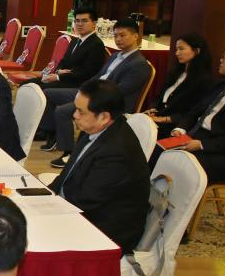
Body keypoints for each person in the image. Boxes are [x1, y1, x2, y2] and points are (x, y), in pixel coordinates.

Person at [48, 79, 152, 253]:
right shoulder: (93, 128)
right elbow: (67, 175)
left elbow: (86, 202)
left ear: (104, 117)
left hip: (106, 231)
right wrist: (45, 196)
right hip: (82, 210)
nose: (75, 115)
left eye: (81, 111)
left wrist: (48, 210)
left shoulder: (117, 153)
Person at [43, 17, 151, 167]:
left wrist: (90, 96)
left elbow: (120, 91)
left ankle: (70, 153)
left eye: (122, 35)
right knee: (48, 93)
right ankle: (52, 133)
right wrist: (84, 89)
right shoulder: (115, 55)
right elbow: (99, 76)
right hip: (93, 93)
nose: (118, 39)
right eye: (116, 36)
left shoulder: (139, 64)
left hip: (108, 104)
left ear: (135, 36)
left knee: (63, 111)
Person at [168, 39, 225, 183]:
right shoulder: (221, 84)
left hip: (223, 151)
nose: (220, 60)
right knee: (158, 150)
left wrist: (202, 144)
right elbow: (195, 111)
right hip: (195, 135)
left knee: (182, 166)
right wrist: (181, 128)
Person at [144, 33, 212, 139]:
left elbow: (192, 112)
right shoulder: (176, 72)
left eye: (181, 49)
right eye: (176, 49)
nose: (177, 53)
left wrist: (163, 119)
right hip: (158, 118)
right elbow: (160, 96)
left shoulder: (203, 80)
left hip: (174, 126)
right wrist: (152, 109)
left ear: (197, 51)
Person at [28, 8, 106, 92]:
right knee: (28, 84)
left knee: (39, 89)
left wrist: (58, 77)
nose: (80, 24)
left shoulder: (96, 44)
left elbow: (87, 73)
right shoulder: (75, 40)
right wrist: (58, 71)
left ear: (94, 23)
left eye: (84, 21)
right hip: (64, 78)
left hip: (77, 84)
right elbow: (64, 60)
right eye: (77, 21)